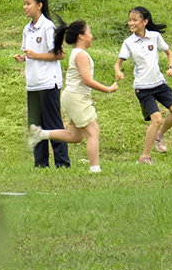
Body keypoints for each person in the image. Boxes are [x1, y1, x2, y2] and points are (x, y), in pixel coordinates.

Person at [26, 20, 114, 173]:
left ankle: (41, 134)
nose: (91, 36)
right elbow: (87, 80)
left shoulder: (78, 53)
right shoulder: (81, 55)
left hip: (72, 97)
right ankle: (95, 169)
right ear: (81, 36)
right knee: (93, 132)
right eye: (89, 32)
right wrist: (107, 89)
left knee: (76, 136)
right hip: (75, 97)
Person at [115, 6, 172, 164]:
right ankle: (145, 157)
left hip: (159, 84)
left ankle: (160, 135)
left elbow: (169, 53)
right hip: (143, 88)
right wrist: (118, 72)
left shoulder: (155, 37)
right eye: (130, 20)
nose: (131, 23)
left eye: (135, 20)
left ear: (144, 22)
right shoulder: (128, 42)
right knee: (156, 119)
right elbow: (118, 63)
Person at [15, 0, 69, 169]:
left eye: (28, 3)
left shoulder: (48, 27)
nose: (25, 7)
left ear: (39, 5)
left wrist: (36, 55)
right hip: (33, 84)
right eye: (24, 3)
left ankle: (62, 163)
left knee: (53, 124)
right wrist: (23, 57)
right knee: (35, 127)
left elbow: (59, 54)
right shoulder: (27, 29)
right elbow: (29, 52)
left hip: (47, 83)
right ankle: (40, 165)